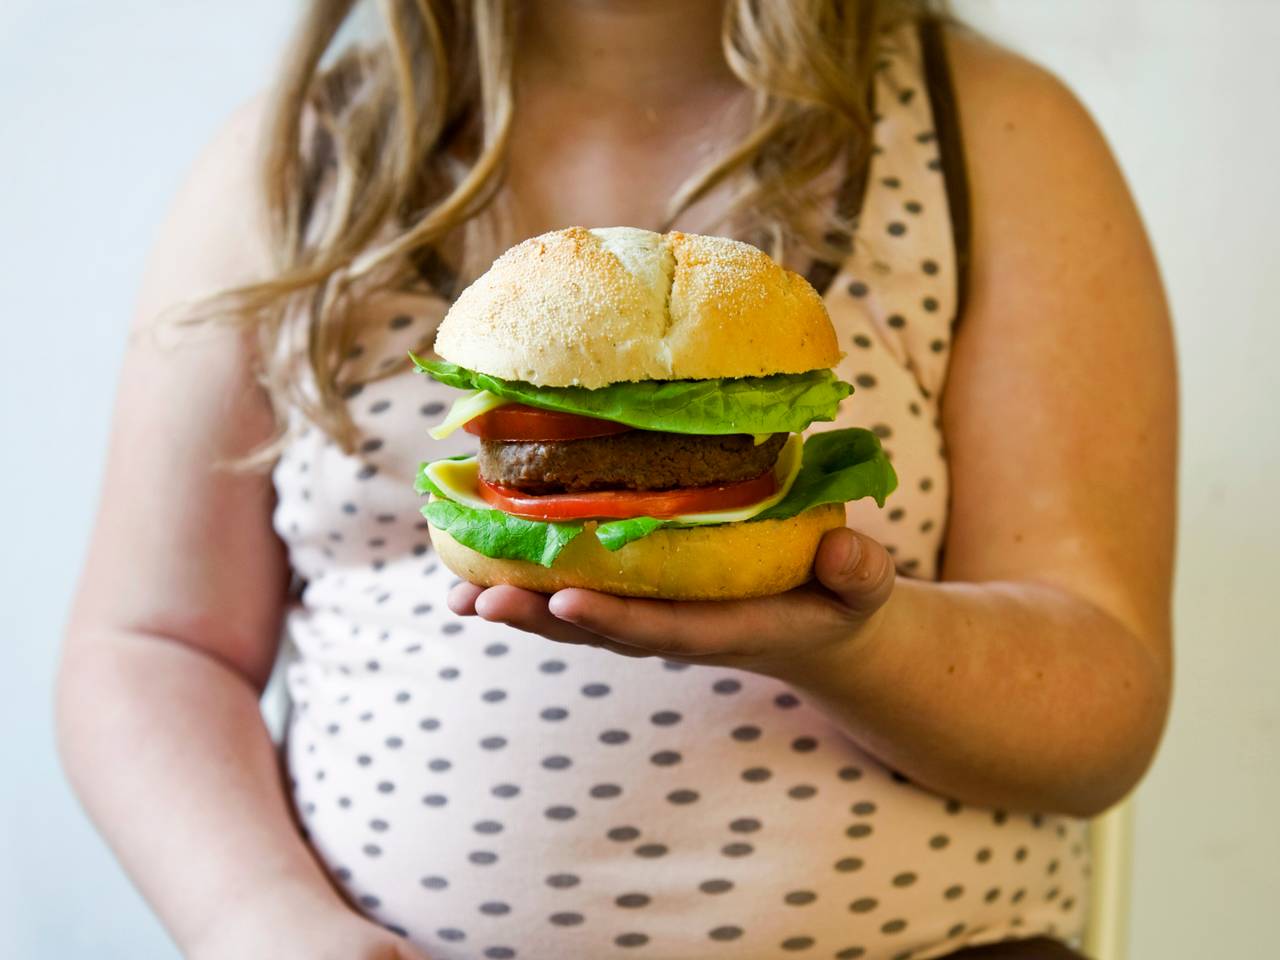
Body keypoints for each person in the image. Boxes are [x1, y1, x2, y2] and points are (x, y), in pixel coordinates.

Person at [55, 1, 1176, 958]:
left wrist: (848, 642)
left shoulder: (994, 134)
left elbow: (1101, 713)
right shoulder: (298, 165)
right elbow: (153, 646)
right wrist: (262, 923)